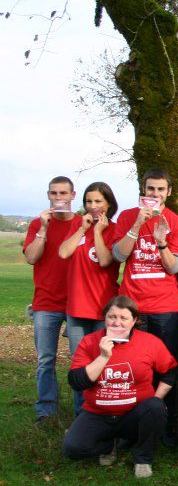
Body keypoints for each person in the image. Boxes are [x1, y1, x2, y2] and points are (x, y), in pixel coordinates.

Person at [111, 169, 178, 445]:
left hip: (164, 306)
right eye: (150, 189)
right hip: (132, 305)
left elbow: (173, 267)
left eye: (160, 190)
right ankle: (131, 426)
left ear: (168, 193)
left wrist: (161, 242)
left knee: (165, 366)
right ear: (142, 191)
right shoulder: (128, 216)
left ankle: (167, 425)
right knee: (131, 365)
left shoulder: (176, 222)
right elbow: (119, 255)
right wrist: (136, 227)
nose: (155, 195)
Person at [63, 296, 176, 479]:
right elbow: (77, 382)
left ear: (135, 321)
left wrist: (156, 398)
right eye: (112, 317)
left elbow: (170, 371)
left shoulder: (149, 342)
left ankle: (143, 458)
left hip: (133, 414)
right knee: (73, 449)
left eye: (124, 318)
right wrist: (103, 357)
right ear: (104, 318)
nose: (117, 323)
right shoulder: (90, 342)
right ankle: (109, 444)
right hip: (98, 413)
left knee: (155, 407)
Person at [58, 182, 121, 414]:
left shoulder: (114, 229)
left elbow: (105, 260)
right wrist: (82, 230)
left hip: (103, 310)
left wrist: (97, 232)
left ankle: (102, 413)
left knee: (104, 363)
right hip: (77, 308)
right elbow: (64, 252)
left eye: (98, 202)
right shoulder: (78, 225)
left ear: (108, 204)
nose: (93, 206)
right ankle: (81, 415)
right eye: (88, 201)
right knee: (80, 365)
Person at [24, 176, 82, 422]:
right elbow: (31, 258)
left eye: (63, 194)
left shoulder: (82, 223)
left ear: (73, 195)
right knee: (45, 359)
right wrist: (43, 231)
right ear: (48, 195)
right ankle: (46, 410)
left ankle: (82, 412)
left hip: (77, 302)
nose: (59, 199)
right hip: (46, 302)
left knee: (79, 359)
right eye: (54, 194)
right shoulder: (38, 223)